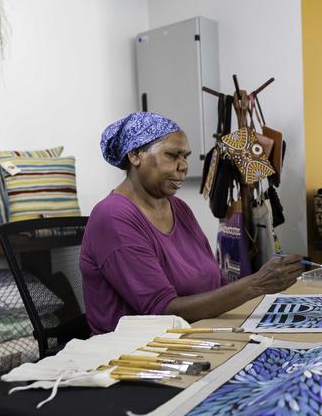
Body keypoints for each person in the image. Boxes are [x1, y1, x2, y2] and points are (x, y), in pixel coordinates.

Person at [80, 112, 303, 334]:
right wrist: (256, 284)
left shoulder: (179, 208)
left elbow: (217, 284)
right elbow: (161, 311)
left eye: (185, 156)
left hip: (193, 334)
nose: (184, 166)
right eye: (172, 155)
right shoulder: (112, 217)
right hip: (134, 352)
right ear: (136, 155)